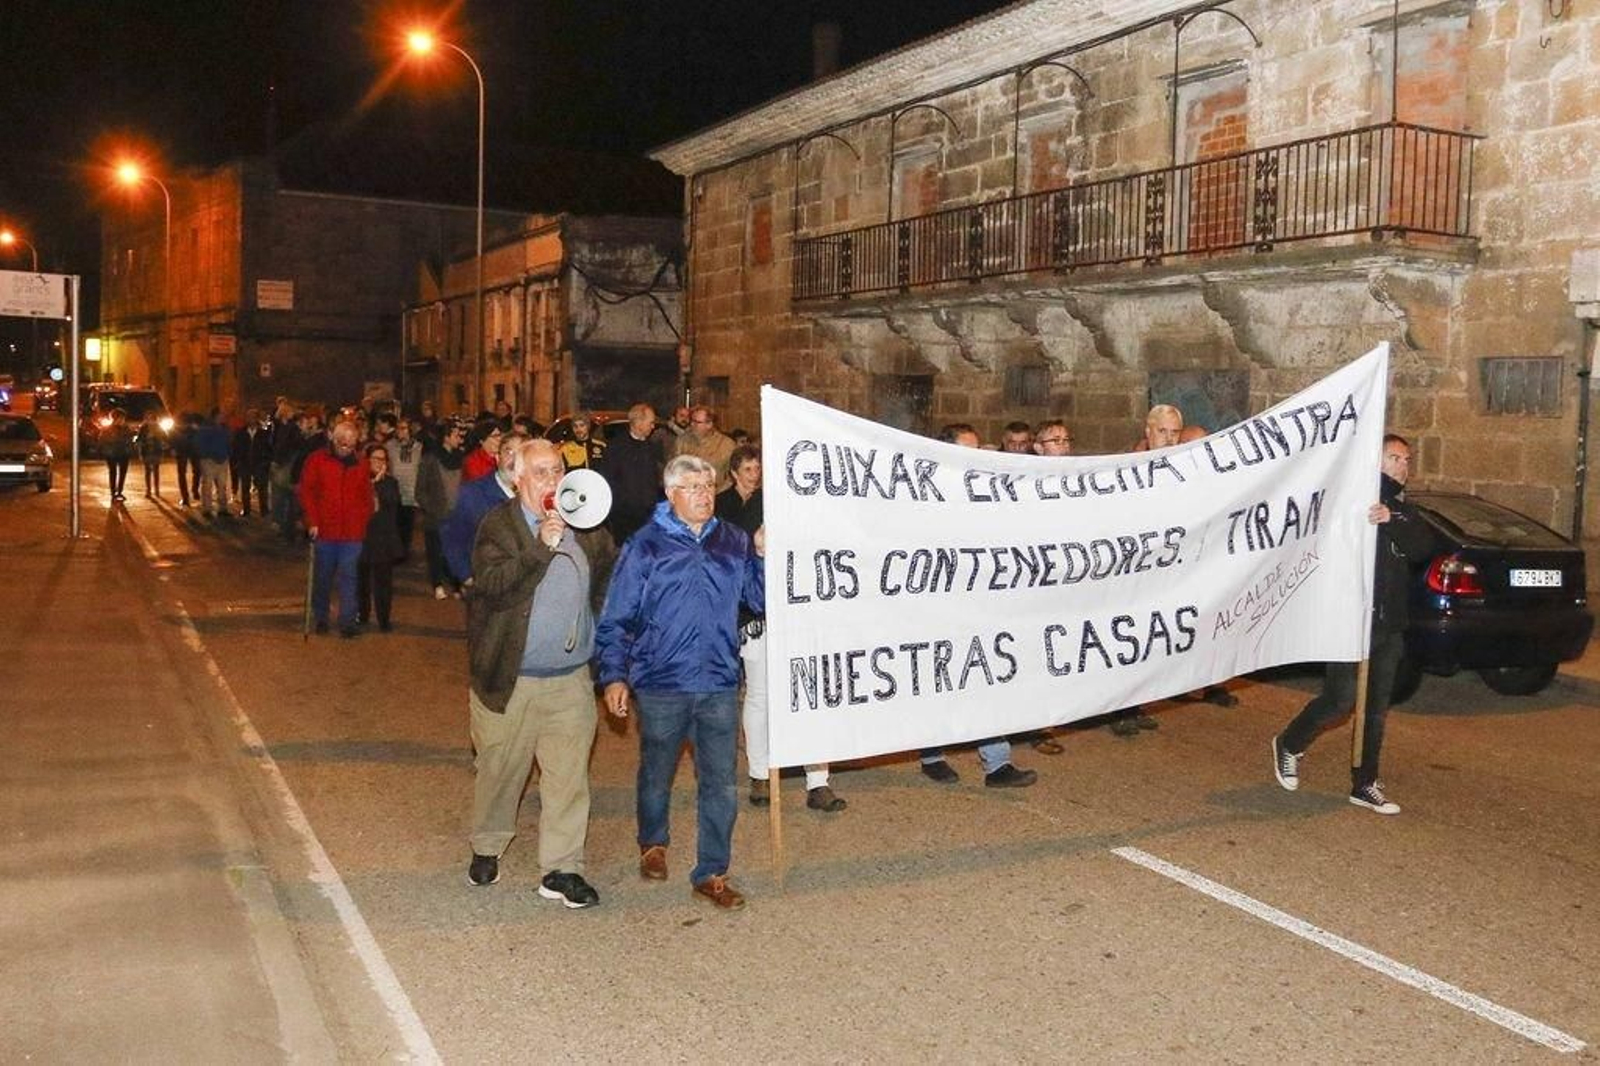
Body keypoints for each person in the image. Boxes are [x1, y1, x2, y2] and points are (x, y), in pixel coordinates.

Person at [596, 455, 764, 910]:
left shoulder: (732, 540)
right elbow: (616, 617)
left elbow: (758, 599)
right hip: (661, 682)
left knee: (721, 783)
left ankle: (712, 871)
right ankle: (653, 841)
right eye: (693, 487)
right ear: (671, 494)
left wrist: (762, 556)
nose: (704, 495)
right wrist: (614, 675)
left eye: (708, 486)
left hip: (718, 681)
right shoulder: (645, 546)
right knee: (657, 772)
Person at [464, 438, 616, 907]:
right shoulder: (498, 525)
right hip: (511, 679)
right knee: (500, 771)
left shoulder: (587, 525)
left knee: (568, 779)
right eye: (541, 472)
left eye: (557, 470)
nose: (552, 480)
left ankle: (562, 869)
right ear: (518, 479)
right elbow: (493, 588)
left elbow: (609, 581)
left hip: (570, 679)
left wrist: (601, 643)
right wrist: (540, 547)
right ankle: (488, 843)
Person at [1272, 434, 1432, 815]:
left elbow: (1423, 546)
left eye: (1406, 460)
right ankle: (1289, 743)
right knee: (1341, 699)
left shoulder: (1401, 511)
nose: (1402, 466)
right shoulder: (1351, 502)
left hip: (1389, 625)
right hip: (1350, 620)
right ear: (1374, 460)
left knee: (1376, 706)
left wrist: (1391, 518)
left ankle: (1364, 783)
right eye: (1394, 457)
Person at [717, 445, 847, 813]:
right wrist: (755, 550)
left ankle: (818, 780)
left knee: (809, 694)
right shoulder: (725, 506)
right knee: (759, 695)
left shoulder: (793, 503)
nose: (755, 474)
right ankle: (760, 773)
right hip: (755, 608)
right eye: (748, 468)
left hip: (799, 610)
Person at [915, 424, 1038, 787]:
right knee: (940, 679)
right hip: (939, 607)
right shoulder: (925, 498)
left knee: (987, 677)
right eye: (968, 450)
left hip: (980, 606)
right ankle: (932, 754)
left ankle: (997, 763)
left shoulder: (985, 493)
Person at [298, 421, 372, 638]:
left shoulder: (361, 463)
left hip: (352, 532)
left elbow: (366, 496)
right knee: (323, 577)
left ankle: (347, 621)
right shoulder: (317, 460)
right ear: (334, 439)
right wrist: (312, 521)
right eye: (343, 444)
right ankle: (321, 616)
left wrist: (362, 519)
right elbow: (307, 492)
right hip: (325, 530)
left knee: (349, 576)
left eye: (351, 445)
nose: (346, 449)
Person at [441, 433, 518, 586]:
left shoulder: (535, 495)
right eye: (509, 452)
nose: (515, 460)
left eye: (521, 453)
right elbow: (452, 536)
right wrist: (466, 575)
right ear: (497, 458)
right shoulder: (473, 493)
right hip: (486, 584)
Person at [596, 403, 664, 546]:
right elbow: (608, 480)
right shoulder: (616, 448)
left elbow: (655, 479)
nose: (653, 427)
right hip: (624, 518)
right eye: (650, 422)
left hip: (648, 516)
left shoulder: (652, 448)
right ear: (638, 422)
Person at [416, 420, 468, 598]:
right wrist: (432, 508)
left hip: (456, 514)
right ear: (446, 437)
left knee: (454, 551)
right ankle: (437, 583)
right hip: (437, 515)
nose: (459, 439)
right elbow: (420, 490)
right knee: (435, 551)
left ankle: (455, 584)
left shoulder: (461, 458)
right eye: (455, 435)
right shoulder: (430, 459)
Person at [358, 443, 404, 632]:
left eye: (383, 459)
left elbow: (392, 502)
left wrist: (378, 484)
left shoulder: (390, 483)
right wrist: (372, 484)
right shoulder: (359, 480)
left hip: (383, 538)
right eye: (375, 458)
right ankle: (362, 614)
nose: (379, 463)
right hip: (362, 536)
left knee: (383, 582)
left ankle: (384, 618)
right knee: (361, 580)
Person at [670, 405, 737, 489]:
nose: (692, 424)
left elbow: (733, 475)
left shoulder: (726, 445)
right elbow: (674, 469)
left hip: (716, 493)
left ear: (709, 424)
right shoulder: (682, 441)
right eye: (691, 421)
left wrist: (718, 492)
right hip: (688, 492)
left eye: (696, 422)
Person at [384, 417, 423, 561]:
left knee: (407, 524)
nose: (400, 431)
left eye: (404, 428)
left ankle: (404, 552)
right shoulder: (390, 446)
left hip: (410, 491)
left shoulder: (418, 447)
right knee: (394, 523)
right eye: (398, 428)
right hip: (395, 491)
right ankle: (395, 551)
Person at [194, 409, 233, 518]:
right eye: (221, 415)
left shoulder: (224, 429)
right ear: (215, 416)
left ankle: (222, 508)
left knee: (222, 485)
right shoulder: (206, 429)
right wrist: (208, 454)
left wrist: (228, 453)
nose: (223, 417)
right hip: (209, 460)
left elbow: (228, 442)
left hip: (222, 459)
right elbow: (200, 444)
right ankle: (207, 508)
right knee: (208, 485)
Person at [102, 409, 134, 502]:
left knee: (122, 473)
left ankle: (119, 491)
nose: (122, 420)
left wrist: (129, 448)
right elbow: (103, 440)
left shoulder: (126, 429)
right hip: (112, 453)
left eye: (123, 418)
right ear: (115, 418)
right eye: (120, 418)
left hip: (124, 453)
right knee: (113, 472)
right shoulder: (108, 429)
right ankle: (113, 492)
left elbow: (130, 440)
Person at [136, 411, 166, 497]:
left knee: (156, 471)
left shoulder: (159, 428)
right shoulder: (143, 428)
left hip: (156, 451)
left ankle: (157, 490)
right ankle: (148, 490)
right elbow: (139, 439)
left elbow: (165, 437)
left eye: (152, 419)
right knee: (147, 471)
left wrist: (159, 440)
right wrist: (142, 443)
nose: (150, 421)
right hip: (146, 451)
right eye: (148, 418)